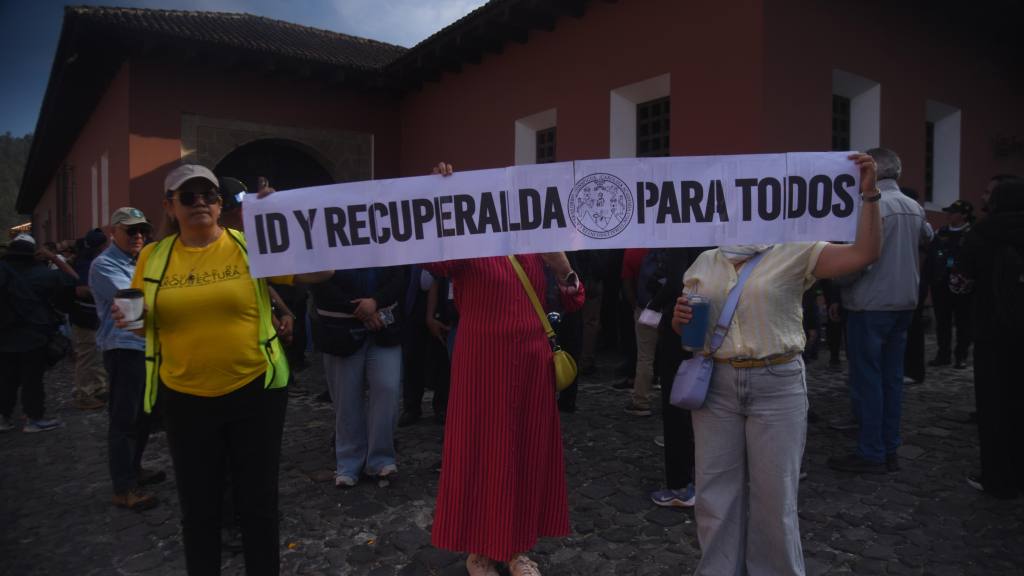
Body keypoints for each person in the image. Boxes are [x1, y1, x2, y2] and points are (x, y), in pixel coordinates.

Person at [671, 153, 881, 575]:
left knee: (775, 498)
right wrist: (679, 322)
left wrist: (870, 195)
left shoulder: (795, 251)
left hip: (777, 384)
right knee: (714, 495)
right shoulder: (705, 261)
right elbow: (689, 331)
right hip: (716, 385)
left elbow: (864, 253)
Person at [115, 164, 329, 575]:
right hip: (185, 397)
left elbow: (323, 271)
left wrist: (284, 218)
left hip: (255, 391)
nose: (200, 203)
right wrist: (130, 320)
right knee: (199, 508)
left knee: (258, 504)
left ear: (219, 204)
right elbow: (143, 322)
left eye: (209, 195)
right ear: (170, 206)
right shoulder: (153, 257)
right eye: (188, 196)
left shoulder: (251, 245)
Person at [425, 162, 585, 576]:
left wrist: (563, 267)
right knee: (483, 451)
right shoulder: (466, 241)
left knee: (525, 452)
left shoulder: (534, 242)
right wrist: (440, 196)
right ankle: (479, 551)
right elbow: (434, 262)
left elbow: (574, 300)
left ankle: (516, 549)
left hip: (531, 364)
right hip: (483, 365)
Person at [828, 148, 934, 475]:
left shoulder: (869, 206)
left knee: (867, 381)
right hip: (903, 303)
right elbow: (927, 238)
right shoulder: (913, 206)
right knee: (891, 380)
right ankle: (889, 446)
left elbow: (858, 260)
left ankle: (871, 451)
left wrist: (836, 280)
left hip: (869, 303)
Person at [90, 208, 165, 511]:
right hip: (124, 348)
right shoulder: (104, 265)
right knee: (124, 419)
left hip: (145, 347)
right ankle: (123, 487)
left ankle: (134, 468)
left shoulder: (139, 260)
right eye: (130, 231)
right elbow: (135, 300)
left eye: (142, 231)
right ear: (113, 232)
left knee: (144, 415)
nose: (138, 236)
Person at [957, 176, 1024, 499]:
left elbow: (961, 282)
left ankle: (998, 477)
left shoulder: (982, 233)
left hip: (992, 329)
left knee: (994, 405)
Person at [310, 263, 404, 487]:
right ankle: (349, 462)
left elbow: (400, 274)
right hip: (340, 329)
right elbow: (316, 279)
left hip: (384, 326)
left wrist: (375, 302)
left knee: (388, 390)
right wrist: (360, 309)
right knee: (346, 397)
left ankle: (381, 459)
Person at [0, 234, 78, 433]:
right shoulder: (42, 273)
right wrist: (53, 257)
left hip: (4, 334)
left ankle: (3, 417)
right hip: (33, 334)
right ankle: (33, 418)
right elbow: (73, 279)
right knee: (32, 379)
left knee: (6, 378)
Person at [649, 247, 707, 508]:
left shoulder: (682, 238)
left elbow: (676, 282)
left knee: (677, 406)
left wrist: (653, 305)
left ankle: (681, 484)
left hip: (682, 327)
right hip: (711, 326)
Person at [926, 199, 974, 369]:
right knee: (942, 322)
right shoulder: (941, 232)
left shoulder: (971, 233)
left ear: (964, 215)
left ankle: (961, 356)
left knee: (963, 322)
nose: (949, 215)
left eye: (953, 212)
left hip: (963, 285)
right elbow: (931, 256)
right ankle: (943, 354)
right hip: (941, 283)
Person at [70, 228, 110, 410]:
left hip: (92, 316)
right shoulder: (87, 263)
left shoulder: (85, 260)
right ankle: (84, 394)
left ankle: (98, 388)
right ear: (102, 245)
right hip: (86, 316)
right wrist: (103, 291)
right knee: (87, 356)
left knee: (96, 354)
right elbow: (81, 290)